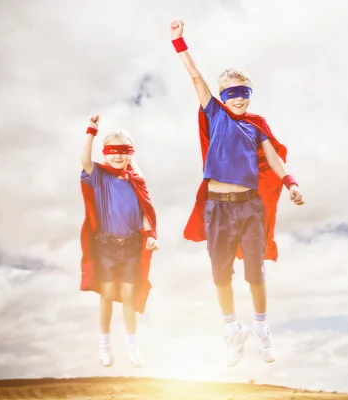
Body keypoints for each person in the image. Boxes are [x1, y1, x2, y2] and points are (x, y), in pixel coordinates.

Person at [169, 20, 304, 367]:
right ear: (222, 96)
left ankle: (261, 328)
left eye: (244, 92)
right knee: (220, 275)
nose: (239, 98)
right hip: (218, 209)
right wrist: (179, 42)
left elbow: (272, 155)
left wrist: (290, 182)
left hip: (249, 208)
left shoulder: (256, 124)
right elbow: (197, 79)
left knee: (255, 273)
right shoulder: (214, 114)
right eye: (232, 93)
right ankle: (233, 331)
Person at [79, 114, 159, 368]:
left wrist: (150, 236)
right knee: (107, 293)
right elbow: (84, 160)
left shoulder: (136, 182)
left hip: (132, 246)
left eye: (123, 152)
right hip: (106, 246)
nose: (118, 156)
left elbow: (146, 212)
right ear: (105, 154)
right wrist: (91, 132)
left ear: (130, 154)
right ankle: (105, 344)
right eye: (113, 151)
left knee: (127, 294)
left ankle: (132, 345)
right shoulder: (100, 177)